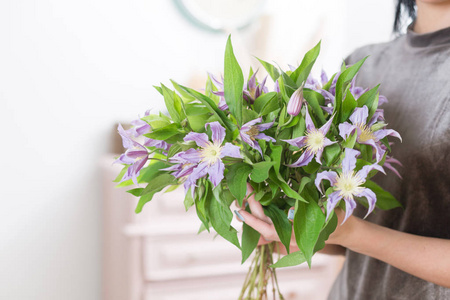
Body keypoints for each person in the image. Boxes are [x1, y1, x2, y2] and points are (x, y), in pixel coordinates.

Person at [235, 0, 450, 298]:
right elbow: (350, 236)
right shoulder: (364, 63)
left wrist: (353, 234)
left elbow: (357, 234)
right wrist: (287, 229)